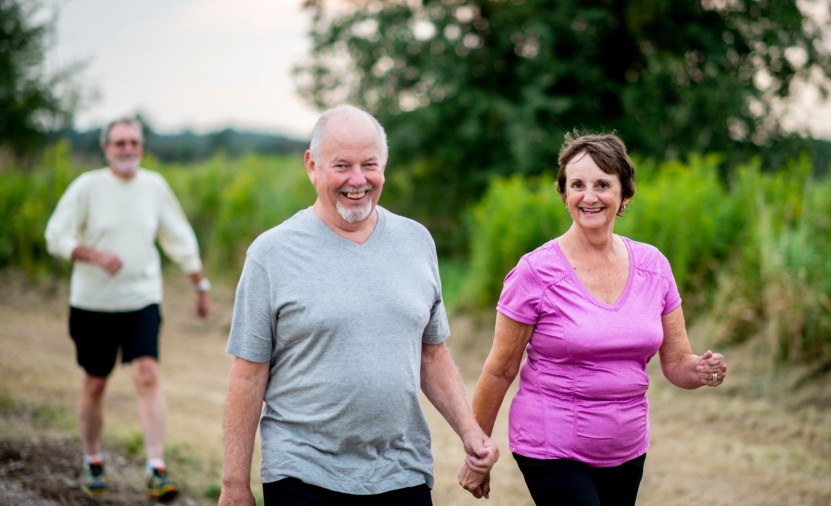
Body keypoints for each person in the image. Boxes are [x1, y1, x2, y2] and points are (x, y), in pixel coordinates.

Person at [218, 104, 499, 506]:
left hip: (402, 470)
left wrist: (471, 434)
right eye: (342, 166)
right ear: (312, 166)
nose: (357, 180)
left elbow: (432, 355)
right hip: (302, 473)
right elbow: (248, 376)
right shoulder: (272, 254)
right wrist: (233, 485)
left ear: (384, 165)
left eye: (369, 164)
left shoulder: (417, 242)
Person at [457, 131, 728, 505]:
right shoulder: (535, 273)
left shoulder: (654, 267)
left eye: (602, 184)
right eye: (577, 185)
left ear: (624, 194)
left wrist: (700, 370)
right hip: (551, 448)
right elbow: (500, 370)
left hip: (628, 448)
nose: (589, 196)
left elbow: (678, 362)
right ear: (564, 194)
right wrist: (478, 452)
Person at [45, 116, 211, 502]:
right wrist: (92, 254)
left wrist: (199, 284)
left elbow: (179, 237)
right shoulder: (87, 187)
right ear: (106, 149)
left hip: (141, 300)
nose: (128, 149)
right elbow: (56, 235)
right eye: (119, 143)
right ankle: (93, 460)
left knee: (148, 374)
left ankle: (156, 468)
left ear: (141, 146)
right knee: (96, 382)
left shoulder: (154, 186)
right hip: (93, 304)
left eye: (134, 142)